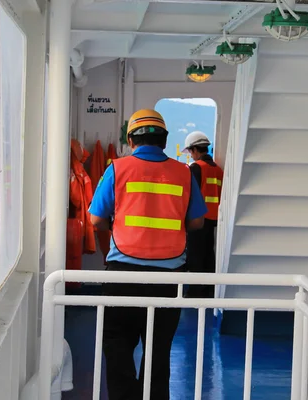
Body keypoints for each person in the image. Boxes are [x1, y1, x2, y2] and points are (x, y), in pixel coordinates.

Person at [89, 109, 207, 400]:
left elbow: (95, 220)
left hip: (122, 273)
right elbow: (197, 222)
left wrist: (117, 223)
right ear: (164, 140)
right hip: (169, 276)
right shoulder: (183, 172)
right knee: (158, 347)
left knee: (117, 343)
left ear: (131, 139)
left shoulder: (117, 168)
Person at [182, 131, 224, 298]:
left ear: (194, 150)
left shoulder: (196, 168)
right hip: (214, 219)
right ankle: (207, 290)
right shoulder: (218, 170)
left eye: (191, 152)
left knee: (195, 255)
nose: (191, 156)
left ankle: (195, 292)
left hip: (199, 219)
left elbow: (190, 195)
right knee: (208, 254)